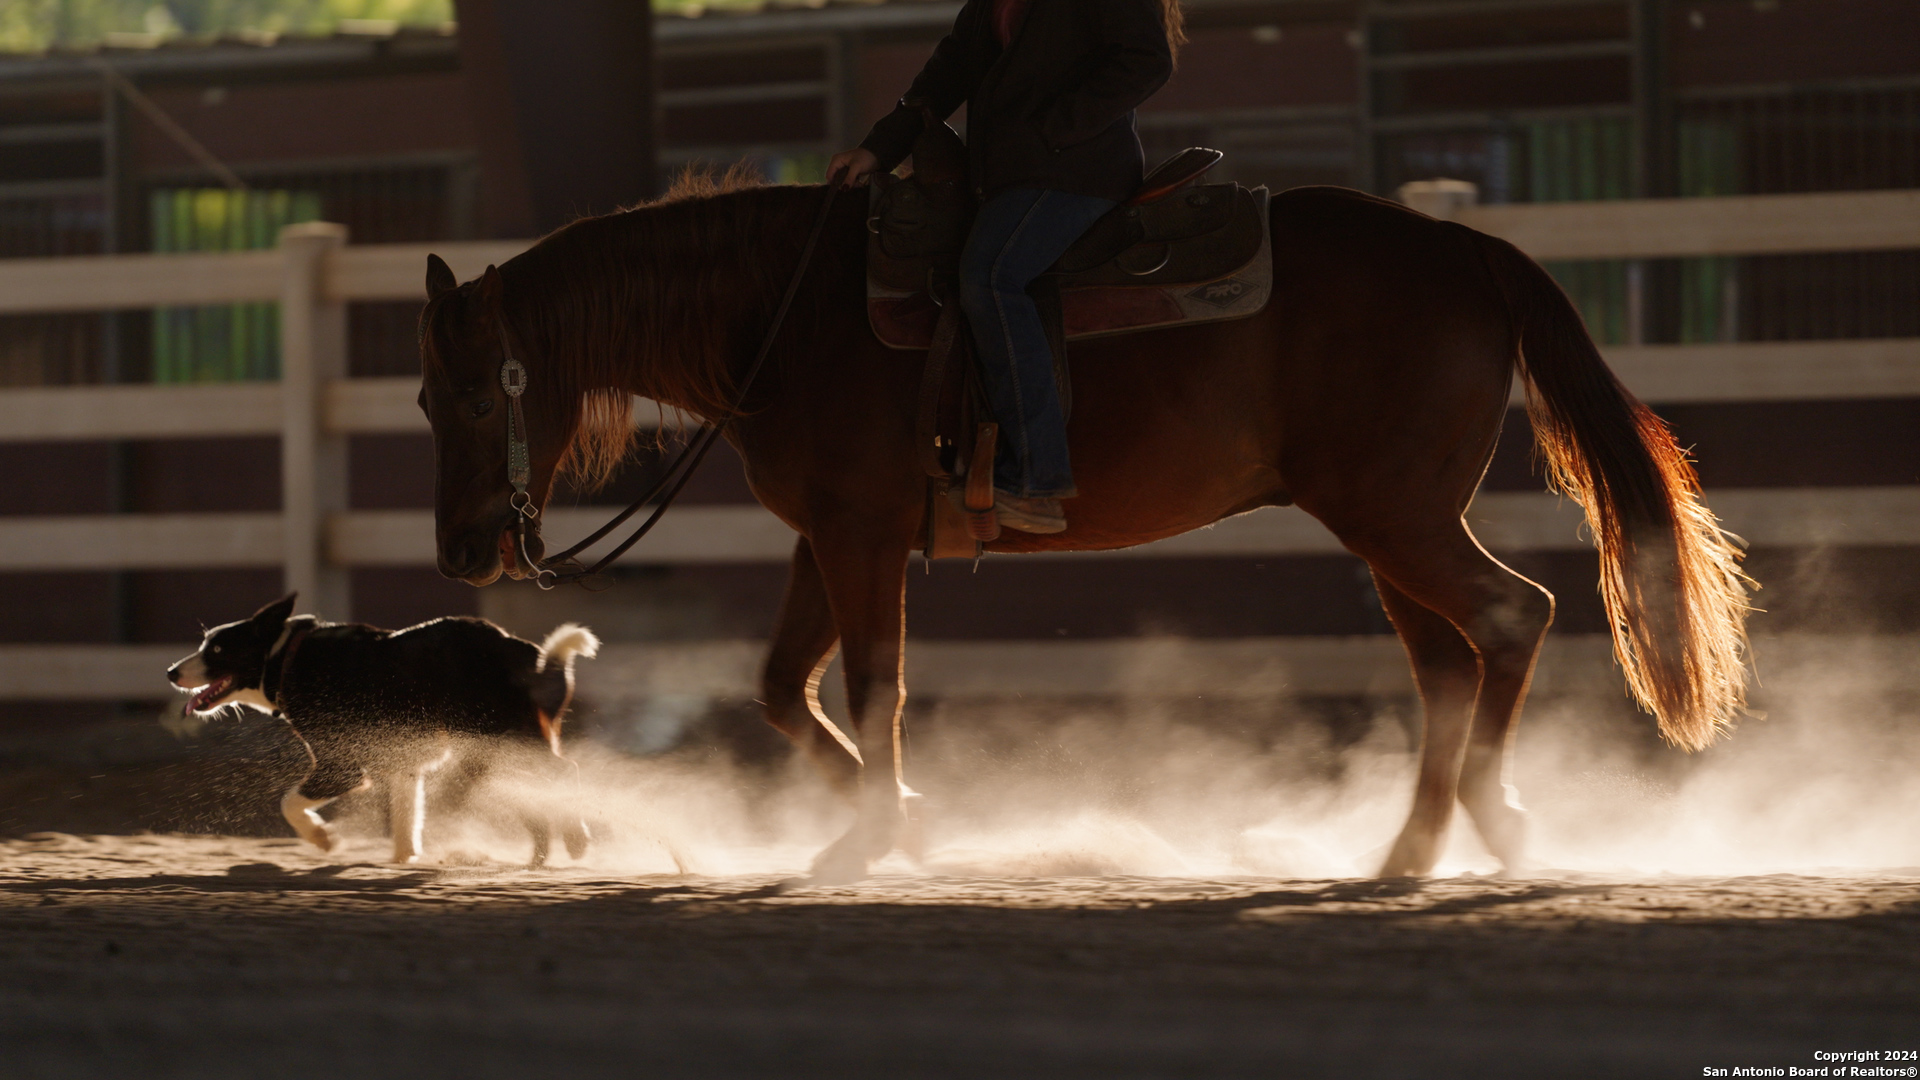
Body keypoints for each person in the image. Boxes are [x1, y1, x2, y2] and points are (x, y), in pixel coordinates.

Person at [829, 0, 1182, 534]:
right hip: (1012, 177)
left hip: (1076, 172)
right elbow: (948, 72)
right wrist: (877, 150)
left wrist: (1054, 130)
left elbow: (1148, 59)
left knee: (991, 277)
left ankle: (1036, 480)